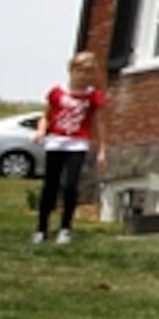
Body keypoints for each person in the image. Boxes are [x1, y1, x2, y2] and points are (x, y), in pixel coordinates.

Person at [33, 51, 106, 245]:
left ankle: (65, 227)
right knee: (50, 185)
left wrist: (101, 150)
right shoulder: (57, 93)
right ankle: (41, 228)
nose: (84, 76)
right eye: (80, 71)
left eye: (89, 72)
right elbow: (47, 116)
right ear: (72, 71)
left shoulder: (93, 97)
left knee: (71, 185)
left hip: (77, 143)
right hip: (56, 140)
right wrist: (41, 131)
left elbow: (97, 124)